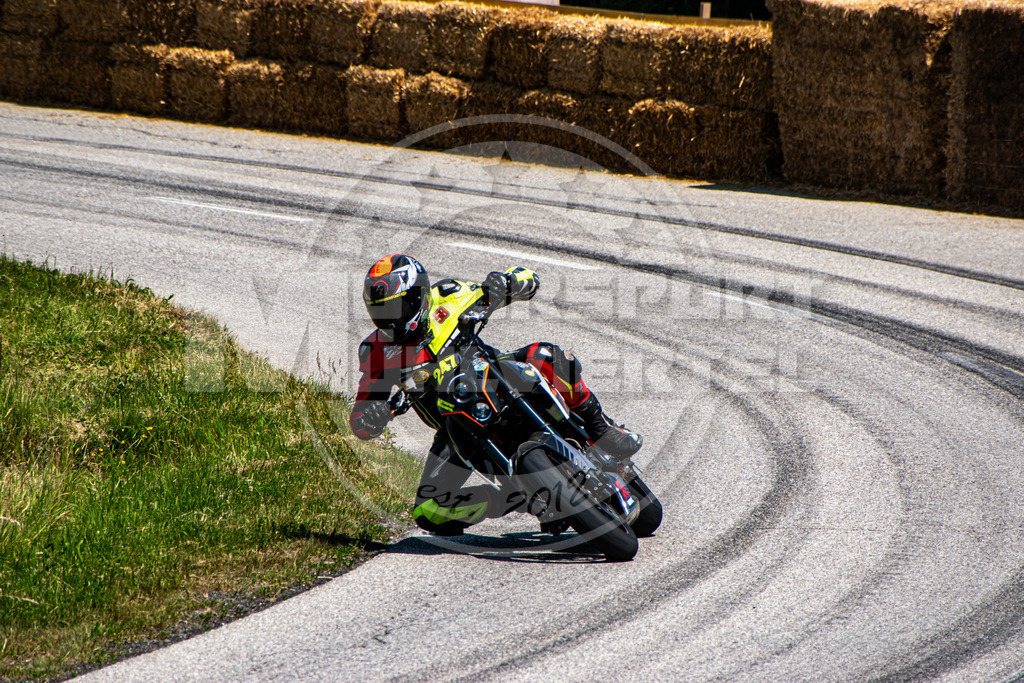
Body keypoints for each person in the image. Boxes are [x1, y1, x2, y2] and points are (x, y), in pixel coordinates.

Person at [349, 253, 642, 536]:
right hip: (456, 428)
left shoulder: (449, 297)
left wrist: (503, 284)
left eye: (395, 308)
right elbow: (359, 420)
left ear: (418, 296)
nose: (389, 320)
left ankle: (602, 428)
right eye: (380, 311)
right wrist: (371, 417)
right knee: (429, 510)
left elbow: (528, 278)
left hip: (498, 378)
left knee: (544, 355)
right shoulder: (376, 353)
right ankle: (518, 496)